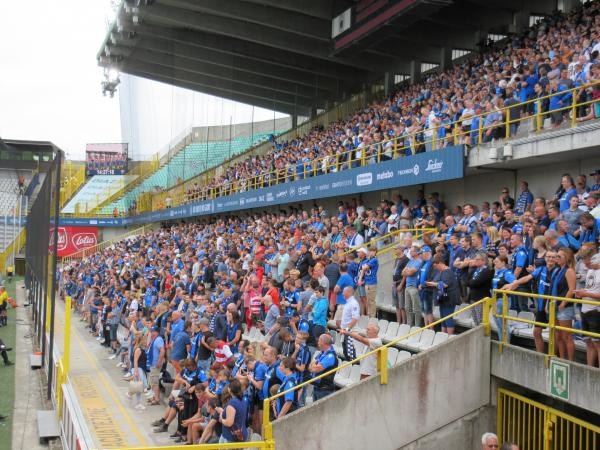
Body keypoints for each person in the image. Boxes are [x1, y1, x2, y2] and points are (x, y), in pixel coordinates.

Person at [505, 251, 559, 353]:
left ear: (556, 259)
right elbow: (527, 278)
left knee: (554, 333)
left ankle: (553, 355)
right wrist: (515, 283)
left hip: (553, 307)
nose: (550, 259)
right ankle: (540, 354)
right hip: (541, 307)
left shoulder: (558, 271)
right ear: (545, 258)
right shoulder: (541, 269)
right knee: (536, 332)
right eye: (548, 257)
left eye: (553, 257)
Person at [573, 252, 600, 367]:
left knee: (598, 343)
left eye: (589, 261)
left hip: (595, 311)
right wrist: (582, 292)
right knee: (588, 342)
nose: (586, 263)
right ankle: (589, 368)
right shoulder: (590, 271)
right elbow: (591, 288)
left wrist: (586, 293)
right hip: (585, 309)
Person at [553, 247, 577, 361]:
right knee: (558, 336)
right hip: (557, 306)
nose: (556, 258)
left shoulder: (569, 271)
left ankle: (571, 361)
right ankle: (562, 358)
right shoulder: (558, 270)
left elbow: (571, 289)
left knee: (567, 337)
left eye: (559, 256)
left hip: (565, 308)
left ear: (566, 258)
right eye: (556, 256)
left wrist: (563, 303)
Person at [427, 256, 460, 335]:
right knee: (443, 318)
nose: (435, 268)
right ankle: (443, 336)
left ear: (441, 263)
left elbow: (444, 285)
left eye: (436, 266)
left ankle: (449, 337)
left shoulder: (447, 271)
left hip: (449, 299)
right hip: (442, 298)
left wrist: (432, 284)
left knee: (448, 318)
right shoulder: (441, 271)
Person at [216, 379, 248, 443]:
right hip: (237, 434)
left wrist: (221, 419)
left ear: (229, 390)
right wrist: (222, 412)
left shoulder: (232, 403)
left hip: (231, 437)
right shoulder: (243, 401)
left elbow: (229, 423)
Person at [466, 252, 494, 325]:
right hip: (473, 297)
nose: (475, 261)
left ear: (483, 261)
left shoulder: (487, 271)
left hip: (481, 299)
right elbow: (467, 281)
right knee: (475, 320)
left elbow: (476, 283)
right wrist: (471, 282)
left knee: (481, 321)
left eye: (477, 259)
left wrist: (471, 282)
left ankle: (482, 336)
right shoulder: (474, 270)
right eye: (475, 259)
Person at [308, 334, 338, 401]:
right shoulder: (322, 353)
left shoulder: (330, 356)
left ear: (323, 342)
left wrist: (312, 366)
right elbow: (312, 364)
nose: (317, 343)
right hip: (317, 387)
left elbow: (315, 369)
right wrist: (313, 366)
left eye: (319, 341)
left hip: (324, 390)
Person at [337, 286, 360, 360]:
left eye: (344, 291)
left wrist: (347, 329)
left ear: (349, 292)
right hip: (345, 331)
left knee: (351, 354)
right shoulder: (348, 303)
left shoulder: (353, 303)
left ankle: (354, 368)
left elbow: (355, 318)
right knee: (346, 352)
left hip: (350, 332)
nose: (343, 293)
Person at [146, 326, 165, 406]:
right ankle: (154, 397)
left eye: (152, 331)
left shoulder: (158, 339)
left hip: (155, 364)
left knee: (154, 382)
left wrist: (159, 362)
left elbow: (162, 350)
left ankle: (156, 398)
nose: (151, 333)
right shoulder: (154, 339)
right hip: (152, 363)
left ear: (156, 332)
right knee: (152, 381)